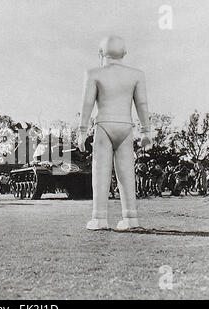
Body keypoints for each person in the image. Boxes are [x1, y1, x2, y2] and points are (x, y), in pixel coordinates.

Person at [77, 36, 152, 230]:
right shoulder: (136, 75)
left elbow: (87, 103)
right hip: (126, 126)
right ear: (124, 53)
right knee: (127, 173)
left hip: (103, 125)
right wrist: (145, 131)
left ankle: (99, 218)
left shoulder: (93, 73)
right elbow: (142, 104)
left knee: (100, 172)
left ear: (100, 53)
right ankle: (130, 218)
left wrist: (82, 131)